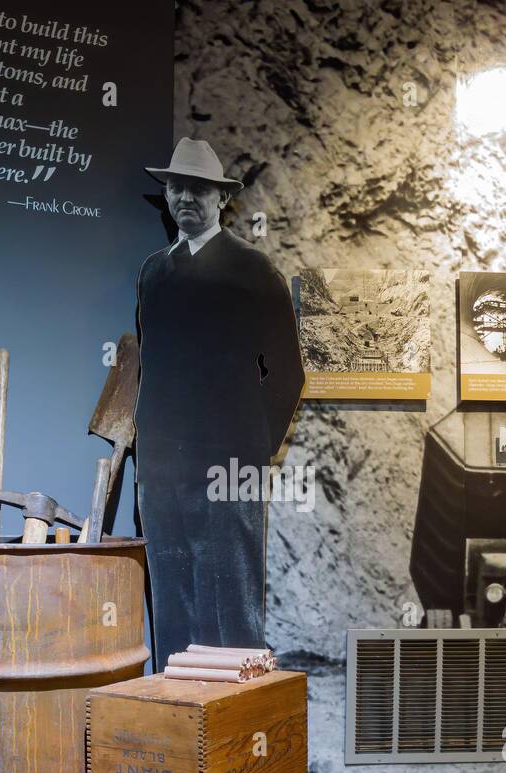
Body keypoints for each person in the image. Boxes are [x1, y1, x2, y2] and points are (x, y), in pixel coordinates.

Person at [134, 137, 304, 669]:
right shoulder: (153, 274)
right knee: (172, 588)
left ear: (219, 198)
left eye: (199, 189)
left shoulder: (252, 272)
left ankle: (236, 718)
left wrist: (254, 446)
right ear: (168, 196)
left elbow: (289, 374)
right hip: (161, 466)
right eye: (177, 187)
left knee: (230, 595)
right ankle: (178, 707)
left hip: (230, 463)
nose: (186, 197)